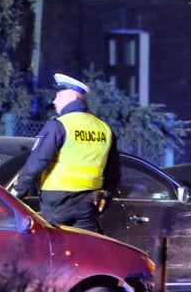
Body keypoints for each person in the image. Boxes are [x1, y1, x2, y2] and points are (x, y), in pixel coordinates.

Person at [10, 73, 120, 233]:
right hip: (89, 202)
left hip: (58, 201)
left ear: (74, 97)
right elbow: (113, 172)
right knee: (84, 247)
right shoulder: (103, 128)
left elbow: (36, 163)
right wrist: (106, 200)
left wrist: (16, 194)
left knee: (53, 248)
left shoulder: (60, 125)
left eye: (59, 96)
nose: (54, 101)